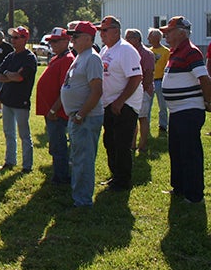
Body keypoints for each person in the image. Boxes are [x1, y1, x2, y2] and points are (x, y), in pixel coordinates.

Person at [160, 16, 211, 203]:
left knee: (190, 153)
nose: (165, 34)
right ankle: (179, 187)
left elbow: (204, 79)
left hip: (188, 110)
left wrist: (208, 101)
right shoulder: (175, 52)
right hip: (177, 111)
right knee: (176, 150)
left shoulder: (191, 52)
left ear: (181, 33)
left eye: (169, 31)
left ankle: (194, 195)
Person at [61, 21, 104, 207]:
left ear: (88, 38)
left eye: (76, 36)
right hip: (78, 118)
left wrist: (81, 114)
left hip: (85, 119)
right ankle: (78, 196)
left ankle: (83, 201)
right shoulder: (81, 56)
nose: (72, 40)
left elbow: (97, 90)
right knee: (78, 158)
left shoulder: (92, 58)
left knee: (84, 160)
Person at [98, 16, 143, 192]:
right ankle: (115, 175)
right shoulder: (105, 50)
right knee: (110, 141)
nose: (101, 34)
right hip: (109, 103)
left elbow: (136, 77)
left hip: (125, 105)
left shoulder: (125, 50)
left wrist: (120, 101)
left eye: (105, 30)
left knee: (122, 143)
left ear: (116, 31)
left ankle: (123, 181)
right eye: (100, 31)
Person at [35, 27, 75, 185]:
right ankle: (59, 173)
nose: (52, 44)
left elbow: (64, 90)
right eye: (51, 41)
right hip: (50, 111)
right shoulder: (58, 57)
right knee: (55, 144)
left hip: (57, 112)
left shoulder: (67, 59)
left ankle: (61, 178)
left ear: (67, 41)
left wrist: (54, 109)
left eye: (56, 41)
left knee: (58, 145)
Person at [0, 26, 38, 172]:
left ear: (25, 39)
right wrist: (11, 74)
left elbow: (20, 77)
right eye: (12, 37)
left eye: (16, 37)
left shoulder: (29, 58)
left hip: (21, 102)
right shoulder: (10, 56)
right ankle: (10, 161)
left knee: (24, 135)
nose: (12, 40)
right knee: (9, 133)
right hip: (7, 101)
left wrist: (10, 75)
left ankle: (27, 166)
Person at [125, 29, 155, 153]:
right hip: (130, 91)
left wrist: (141, 89)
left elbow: (149, 74)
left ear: (137, 39)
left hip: (143, 90)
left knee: (142, 118)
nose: (126, 41)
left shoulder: (146, 54)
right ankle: (132, 144)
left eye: (129, 38)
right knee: (131, 118)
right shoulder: (128, 52)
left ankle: (142, 145)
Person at [147, 28, 170, 133]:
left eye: (150, 36)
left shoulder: (166, 52)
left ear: (156, 38)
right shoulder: (149, 51)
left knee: (162, 105)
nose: (148, 38)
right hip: (150, 81)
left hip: (160, 81)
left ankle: (163, 125)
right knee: (147, 105)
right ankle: (145, 124)